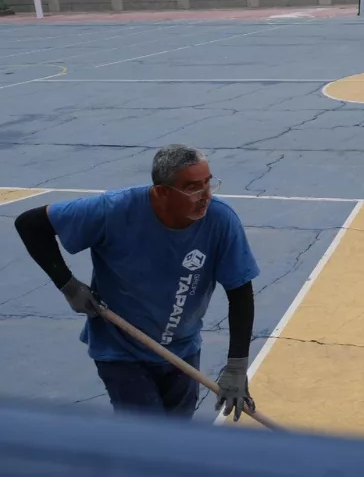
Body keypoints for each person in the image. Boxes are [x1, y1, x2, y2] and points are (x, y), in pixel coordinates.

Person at [14, 145, 260, 421]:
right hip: (122, 348)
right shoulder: (114, 210)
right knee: (150, 438)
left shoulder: (220, 220)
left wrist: (237, 366)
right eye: (193, 188)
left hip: (183, 346)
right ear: (163, 191)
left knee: (177, 441)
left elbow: (240, 292)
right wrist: (67, 284)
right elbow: (30, 223)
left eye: (208, 183)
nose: (206, 196)